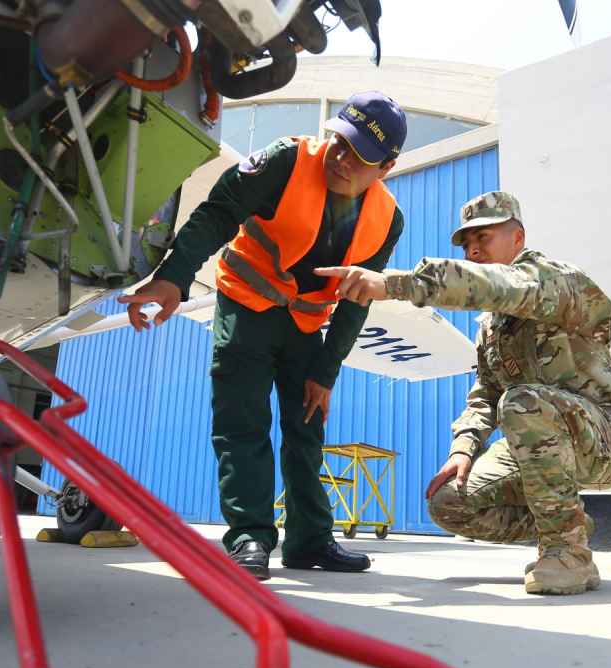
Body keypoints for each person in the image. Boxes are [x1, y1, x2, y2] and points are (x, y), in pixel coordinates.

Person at [119, 91, 407, 581]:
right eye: (340, 141)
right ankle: (250, 536)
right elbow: (218, 211)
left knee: (306, 429)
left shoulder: (389, 221)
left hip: (304, 327)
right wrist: (175, 275)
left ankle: (310, 539)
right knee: (242, 426)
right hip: (247, 308)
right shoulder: (285, 160)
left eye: (359, 156)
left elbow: (358, 299)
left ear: (386, 167)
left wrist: (325, 371)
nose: (340, 159)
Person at [318, 191, 611, 595]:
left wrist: (392, 284)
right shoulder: (493, 326)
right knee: (449, 503)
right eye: (467, 246)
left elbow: (497, 287)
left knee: (524, 401)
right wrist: (462, 450)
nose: (474, 251)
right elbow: (486, 394)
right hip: (540, 438)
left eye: (484, 239)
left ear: (518, 238)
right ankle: (568, 520)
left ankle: (567, 550)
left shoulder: (559, 282)